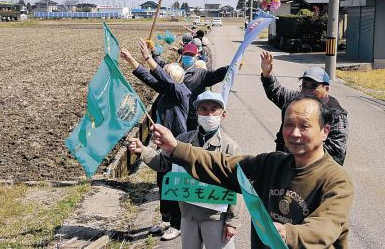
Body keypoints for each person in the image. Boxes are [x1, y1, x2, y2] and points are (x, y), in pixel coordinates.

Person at [150, 95, 354, 248]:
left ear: (325, 131)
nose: (294, 133)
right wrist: (175, 148)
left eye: (304, 126)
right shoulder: (272, 163)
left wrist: (288, 233)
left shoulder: (336, 180)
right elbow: (223, 166)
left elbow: (326, 226)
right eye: (289, 124)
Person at [129, 92, 243, 248]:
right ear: (197, 113)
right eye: (203, 109)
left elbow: (239, 186)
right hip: (188, 214)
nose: (208, 114)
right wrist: (143, 151)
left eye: (214, 109)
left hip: (216, 218)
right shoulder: (182, 140)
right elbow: (162, 163)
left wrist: (232, 221)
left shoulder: (230, 146)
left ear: (223, 115)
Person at [120, 39, 190, 240]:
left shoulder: (181, 93)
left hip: (177, 145)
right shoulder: (165, 92)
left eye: (164, 74)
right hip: (163, 146)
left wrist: (150, 58)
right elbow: (148, 77)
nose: (159, 78)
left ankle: (177, 224)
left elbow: (162, 79)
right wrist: (132, 60)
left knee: (174, 184)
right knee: (162, 182)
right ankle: (166, 220)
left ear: (172, 80)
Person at [260, 51, 349, 165]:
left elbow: (337, 151)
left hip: (315, 172)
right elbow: (277, 92)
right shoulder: (298, 100)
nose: (307, 91)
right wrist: (267, 74)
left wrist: (304, 147)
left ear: (326, 89)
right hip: (286, 166)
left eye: (313, 86)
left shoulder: (336, 114)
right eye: (304, 86)